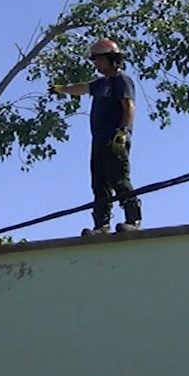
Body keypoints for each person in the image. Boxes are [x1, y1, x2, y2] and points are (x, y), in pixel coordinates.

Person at [51, 39, 142, 234]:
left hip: (114, 138)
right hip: (99, 140)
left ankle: (133, 220)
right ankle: (101, 225)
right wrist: (62, 89)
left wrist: (123, 132)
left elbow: (129, 106)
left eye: (99, 60)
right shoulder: (101, 83)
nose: (96, 64)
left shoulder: (121, 80)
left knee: (119, 179)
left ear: (112, 59)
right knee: (99, 183)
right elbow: (82, 88)